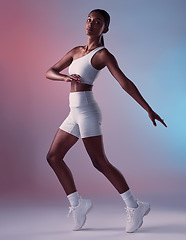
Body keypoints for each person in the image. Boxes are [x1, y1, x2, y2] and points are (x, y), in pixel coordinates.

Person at [45, 9, 167, 233]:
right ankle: (77, 204)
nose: (91, 24)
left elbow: (125, 83)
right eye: (89, 19)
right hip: (74, 111)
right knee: (53, 157)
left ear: (105, 29)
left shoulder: (103, 55)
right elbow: (49, 71)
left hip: (88, 111)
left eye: (97, 22)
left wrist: (148, 109)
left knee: (99, 162)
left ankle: (135, 206)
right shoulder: (75, 51)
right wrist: (65, 77)